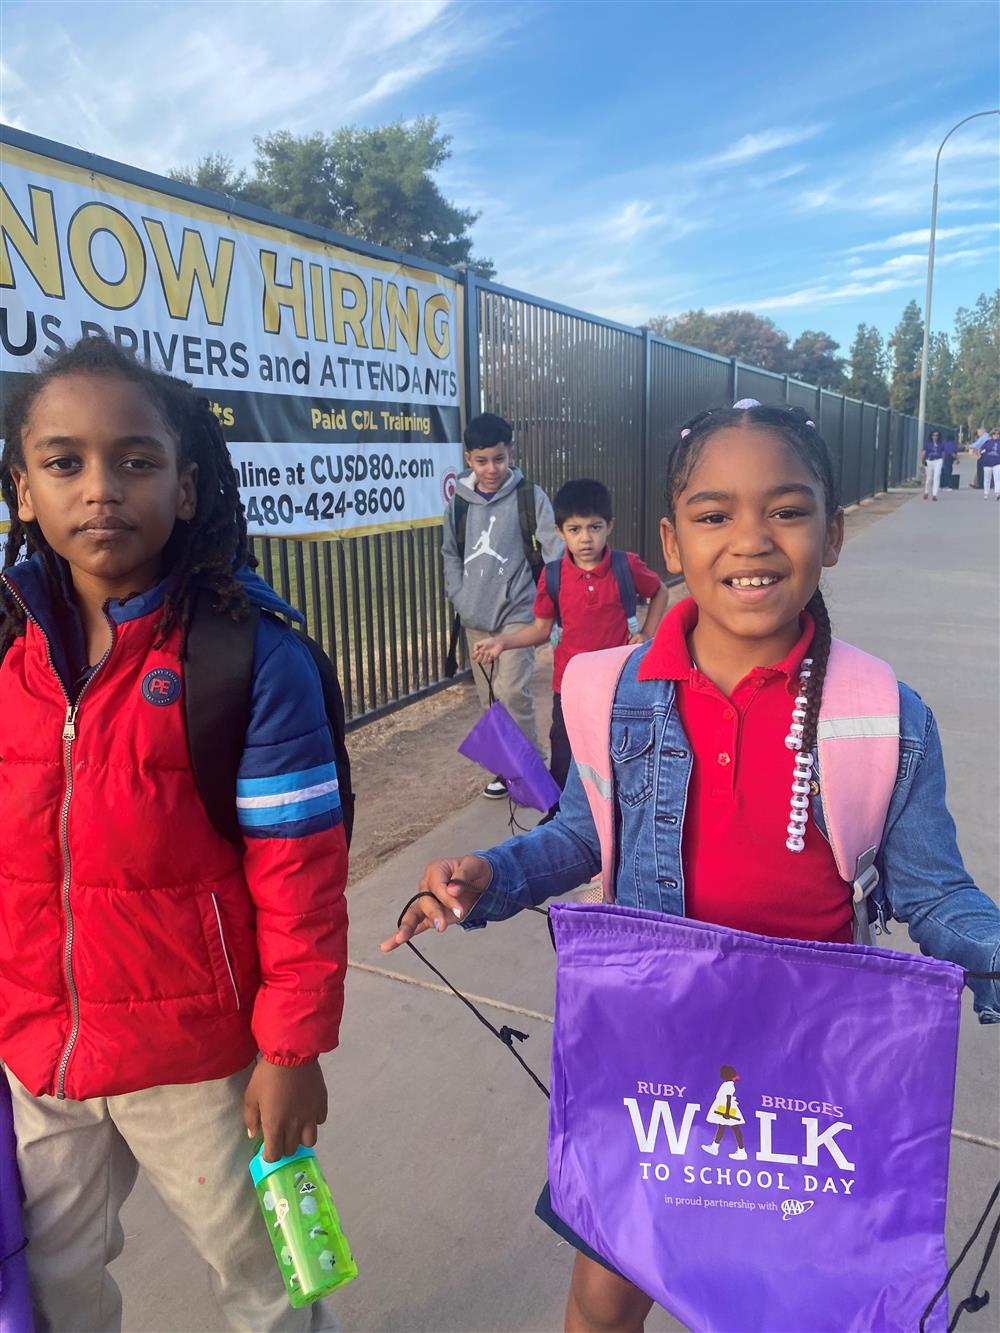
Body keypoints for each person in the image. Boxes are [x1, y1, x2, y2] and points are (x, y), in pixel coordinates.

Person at [383, 401, 1000, 1333]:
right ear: (672, 542)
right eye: (715, 515)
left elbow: (935, 890)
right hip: (654, 1054)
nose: (750, 538)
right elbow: (585, 835)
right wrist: (492, 875)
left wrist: (989, 951)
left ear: (831, 534)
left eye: (787, 511)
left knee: (793, 1296)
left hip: (812, 1068)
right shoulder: (612, 689)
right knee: (604, 1293)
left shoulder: (884, 711)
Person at [0, 337, 348, 1332]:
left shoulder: (249, 656)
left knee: (275, 1273)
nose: (100, 487)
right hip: (40, 1057)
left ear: (186, 487)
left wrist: (292, 1047)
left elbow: (302, 877)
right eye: (64, 462)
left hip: (206, 1055)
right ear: (23, 489)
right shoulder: (5, 647)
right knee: (44, 1283)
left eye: (136, 460)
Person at [472, 478, 669, 795]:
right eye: (575, 530)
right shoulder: (553, 576)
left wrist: (647, 632)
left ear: (609, 527)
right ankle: (561, 818)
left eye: (595, 527)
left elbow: (659, 590)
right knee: (564, 760)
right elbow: (540, 630)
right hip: (569, 687)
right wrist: (502, 642)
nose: (586, 538)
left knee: (618, 754)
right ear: (561, 532)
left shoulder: (625, 566)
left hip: (619, 684)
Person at [442, 412, 563, 798]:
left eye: (499, 458)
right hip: (476, 616)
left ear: (509, 453)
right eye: (482, 460)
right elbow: (450, 554)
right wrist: (459, 595)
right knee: (490, 699)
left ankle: (532, 767)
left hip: (518, 613)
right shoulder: (458, 506)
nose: (491, 468)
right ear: (467, 459)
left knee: (512, 691)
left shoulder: (530, 497)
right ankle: (505, 770)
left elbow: (554, 551)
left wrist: (553, 603)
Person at [922, 430, 945, 500]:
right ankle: (926, 491)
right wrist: (921, 463)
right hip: (929, 461)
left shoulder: (941, 444)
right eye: (934, 435)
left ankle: (934, 495)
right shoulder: (928, 444)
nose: (935, 437)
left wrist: (943, 462)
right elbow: (923, 453)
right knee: (929, 478)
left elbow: (943, 454)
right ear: (931, 436)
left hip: (938, 460)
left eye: (937, 435)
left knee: (936, 477)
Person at [978, 427, 1000, 499]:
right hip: (987, 463)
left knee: (997, 478)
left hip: (997, 462)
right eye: (995, 434)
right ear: (991, 435)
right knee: (987, 479)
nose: (996, 435)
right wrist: (979, 454)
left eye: (998, 434)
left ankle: (997, 493)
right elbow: (980, 449)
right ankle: (986, 493)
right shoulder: (987, 442)